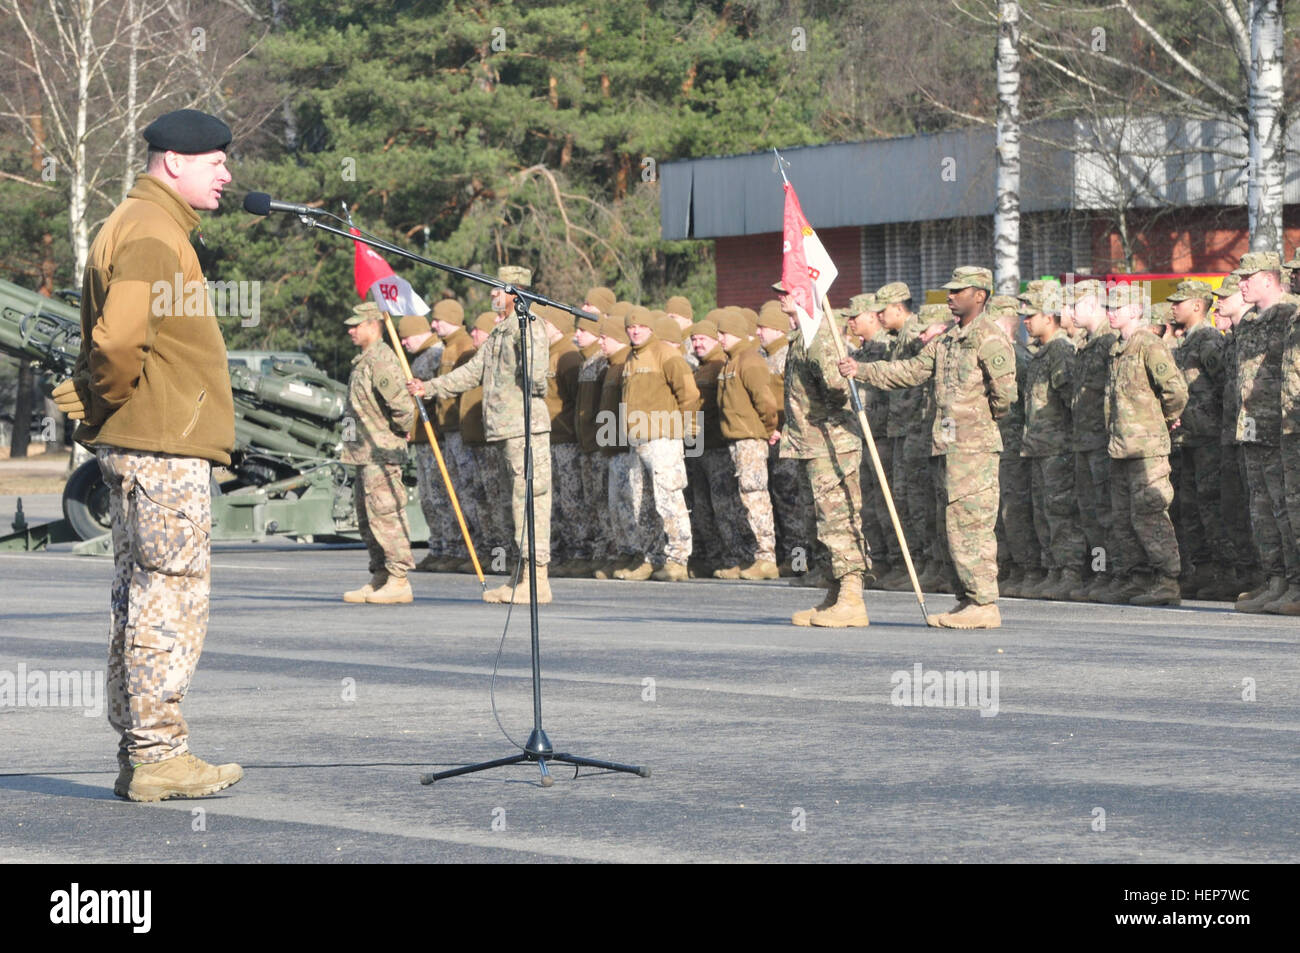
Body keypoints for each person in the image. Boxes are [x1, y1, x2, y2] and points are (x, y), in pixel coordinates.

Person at [54, 108, 242, 801]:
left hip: (147, 441)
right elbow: (116, 344)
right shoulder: (156, 234)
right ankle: (160, 752)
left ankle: (144, 748)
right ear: (173, 162)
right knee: (171, 595)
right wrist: (113, 403)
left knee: (140, 596)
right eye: (215, 161)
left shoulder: (138, 224)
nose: (226, 173)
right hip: (160, 444)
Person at [840, 266, 1017, 629]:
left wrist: (977, 424)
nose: (950, 297)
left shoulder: (989, 338)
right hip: (946, 448)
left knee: (972, 525)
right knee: (950, 524)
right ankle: (967, 598)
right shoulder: (949, 339)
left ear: (979, 296)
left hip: (974, 450)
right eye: (949, 291)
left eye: (958, 291)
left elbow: (1005, 397)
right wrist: (862, 370)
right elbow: (910, 371)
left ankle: (985, 603)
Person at [408, 266, 552, 604]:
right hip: (505, 431)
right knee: (510, 506)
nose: (491, 295)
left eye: (496, 289)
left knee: (530, 503)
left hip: (525, 429)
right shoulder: (502, 330)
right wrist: (429, 388)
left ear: (514, 291)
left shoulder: (528, 326)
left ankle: (538, 581)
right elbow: (473, 372)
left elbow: (537, 376)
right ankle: (519, 577)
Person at [778, 289, 870, 628]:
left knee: (839, 521)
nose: (781, 296)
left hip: (832, 442)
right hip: (809, 442)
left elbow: (837, 386)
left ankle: (851, 597)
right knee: (818, 522)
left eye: (788, 291)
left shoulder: (819, 334)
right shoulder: (803, 335)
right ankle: (834, 592)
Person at [1102, 284, 1188, 606]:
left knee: (1150, 513)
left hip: (1147, 448)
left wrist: (1168, 418)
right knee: (1124, 517)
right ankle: (1136, 578)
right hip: (1121, 446)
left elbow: (1175, 390)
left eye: (1118, 307)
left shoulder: (1148, 345)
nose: (1111, 312)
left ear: (1136, 310)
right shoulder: (1117, 347)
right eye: (1108, 307)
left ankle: (1166, 580)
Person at [1231, 252, 1300, 612]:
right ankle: (1277, 579)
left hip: (1282, 426)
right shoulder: (1253, 321)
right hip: (1254, 427)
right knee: (1264, 509)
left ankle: (1294, 582)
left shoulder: (1289, 314)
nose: (1241, 283)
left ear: (1269, 279)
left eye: (1248, 277)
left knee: (1288, 508)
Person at [341, 301, 419, 604]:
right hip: (364, 454)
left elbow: (401, 406)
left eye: (356, 325)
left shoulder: (382, 361)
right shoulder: (363, 360)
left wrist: (401, 430)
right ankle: (381, 576)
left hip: (381, 453)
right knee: (367, 518)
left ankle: (399, 579)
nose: (351, 330)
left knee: (386, 515)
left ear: (374, 325)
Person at [615, 305, 699, 581]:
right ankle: (651, 557)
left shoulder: (666, 353)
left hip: (663, 439)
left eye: (640, 326)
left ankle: (678, 559)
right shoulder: (630, 358)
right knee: (642, 503)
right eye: (630, 327)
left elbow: (689, 393)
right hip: (637, 442)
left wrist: (686, 429)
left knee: (669, 499)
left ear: (651, 328)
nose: (635, 330)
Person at [1018, 287, 1082, 600]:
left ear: (1049, 317)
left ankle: (1069, 571)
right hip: (1039, 446)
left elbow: (1071, 399)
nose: (1025, 322)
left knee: (1061, 512)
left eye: (1031, 316)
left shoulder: (1060, 350)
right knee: (1044, 512)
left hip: (1058, 447)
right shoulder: (1041, 352)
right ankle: (1053, 570)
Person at [1166, 280, 1228, 597]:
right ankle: (1200, 570)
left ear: (1197, 305)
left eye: (1180, 301)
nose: (1173, 306)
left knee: (1210, 504)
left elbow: (1224, 384)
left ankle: (1222, 572)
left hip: (1207, 436)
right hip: (1188, 438)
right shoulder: (1187, 342)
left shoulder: (1208, 339)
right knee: (1189, 506)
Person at [716, 308, 780, 579]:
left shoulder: (749, 360)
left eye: (723, 333)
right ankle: (747, 557)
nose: (719, 338)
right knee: (742, 499)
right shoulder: (730, 361)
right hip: (735, 440)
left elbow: (765, 401)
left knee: (756, 497)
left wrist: (767, 429)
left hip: (751, 440)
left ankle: (767, 557)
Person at [401, 311, 445, 572]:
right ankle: (438, 547)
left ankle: (449, 548)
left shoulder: (434, 356)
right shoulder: (421, 358)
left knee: (438, 495)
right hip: (423, 438)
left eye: (406, 338)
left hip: (434, 437)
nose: (404, 343)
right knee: (428, 497)